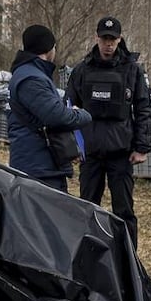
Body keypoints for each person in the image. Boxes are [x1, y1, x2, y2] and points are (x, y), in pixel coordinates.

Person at [65, 16, 151, 247]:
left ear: (119, 39)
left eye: (113, 39)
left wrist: (141, 147)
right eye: (105, 39)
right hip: (90, 153)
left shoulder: (132, 70)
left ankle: (129, 260)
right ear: (97, 38)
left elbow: (144, 107)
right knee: (87, 207)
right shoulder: (82, 70)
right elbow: (67, 108)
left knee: (124, 210)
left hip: (120, 153)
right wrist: (71, 147)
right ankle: (85, 258)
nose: (108, 44)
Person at [7, 24, 91, 192]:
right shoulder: (32, 79)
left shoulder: (32, 74)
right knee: (44, 217)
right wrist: (82, 114)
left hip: (41, 165)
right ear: (48, 48)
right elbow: (56, 117)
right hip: (38, 168)